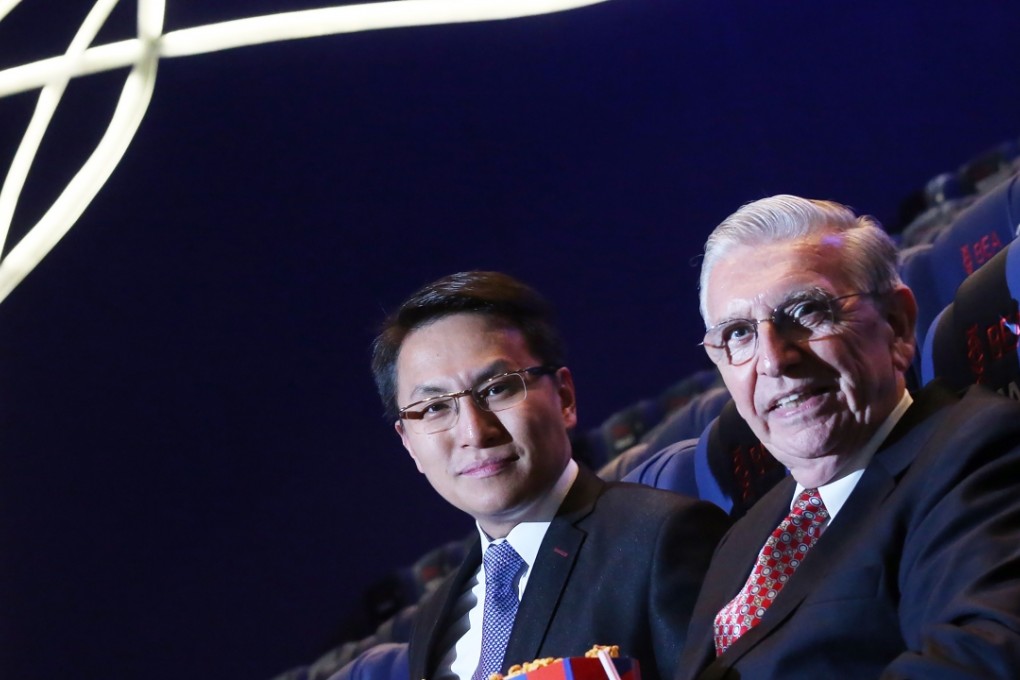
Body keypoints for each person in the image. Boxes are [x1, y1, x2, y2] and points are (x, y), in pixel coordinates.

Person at [676, 195, 1020, 678]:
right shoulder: (742, 540)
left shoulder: (979, 450)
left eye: (805, 311)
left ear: (897, 326)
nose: (773, 360)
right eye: (737, 334)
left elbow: (976, 659)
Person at [370, 271, 730, 680]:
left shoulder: (660, 537)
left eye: (497, 388)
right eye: (434, 408)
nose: (475, 431)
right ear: (409, 443)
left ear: (564, 397)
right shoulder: (434, 619)